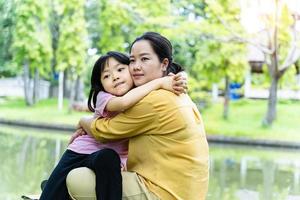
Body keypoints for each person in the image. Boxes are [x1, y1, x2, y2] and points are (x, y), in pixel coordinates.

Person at [67, 32, 209, 200]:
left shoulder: (153, 100)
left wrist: (83, 122)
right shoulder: (171, 89)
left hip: (163, 192)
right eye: (132, 60)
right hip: (185, 190)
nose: (135, 66)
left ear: (164, 64)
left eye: (144, 59)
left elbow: (105, 132)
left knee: (77, 179)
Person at [39, 51, 187, 200]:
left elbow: (174, 73)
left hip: (107, 159)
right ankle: (50, 188)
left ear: (130, 70)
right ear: (101, 85)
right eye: (106, 76)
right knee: (51, 195)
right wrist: (160, 83)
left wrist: (180, 79)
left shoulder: (142, 94)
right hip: (80, 153)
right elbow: (122, 103)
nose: (115, 77)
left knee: (108, 157)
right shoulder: (104, 97)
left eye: (120, 70)